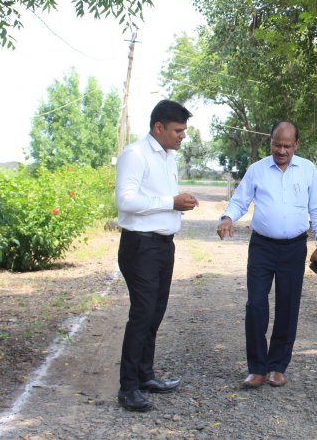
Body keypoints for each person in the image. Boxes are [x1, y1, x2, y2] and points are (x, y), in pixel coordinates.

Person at [216, 121, 317, 389]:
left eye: (287, 146)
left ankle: (278, 366)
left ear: (296, 145)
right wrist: (228, 218)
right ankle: (257, 368)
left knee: (288, 306)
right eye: (277, 144)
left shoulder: (308, 170)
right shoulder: (257, 170)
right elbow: (240, 200)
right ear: (270, 142)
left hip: (294, 247)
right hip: (262, 247)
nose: (281, 150)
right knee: (255, 304)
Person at [115, 99, 200, 412]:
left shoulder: (168, 156)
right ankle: (128, 388)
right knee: (142, 313)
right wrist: (170, 202)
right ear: (158, 127)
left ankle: (145, 375)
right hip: (140, 246)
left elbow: (161, 200)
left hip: (163, 245)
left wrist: (178, 204)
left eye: (184, 131)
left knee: (155, 313)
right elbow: (126, 201)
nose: (182, 136)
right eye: (178, 131)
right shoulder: (135, 155)